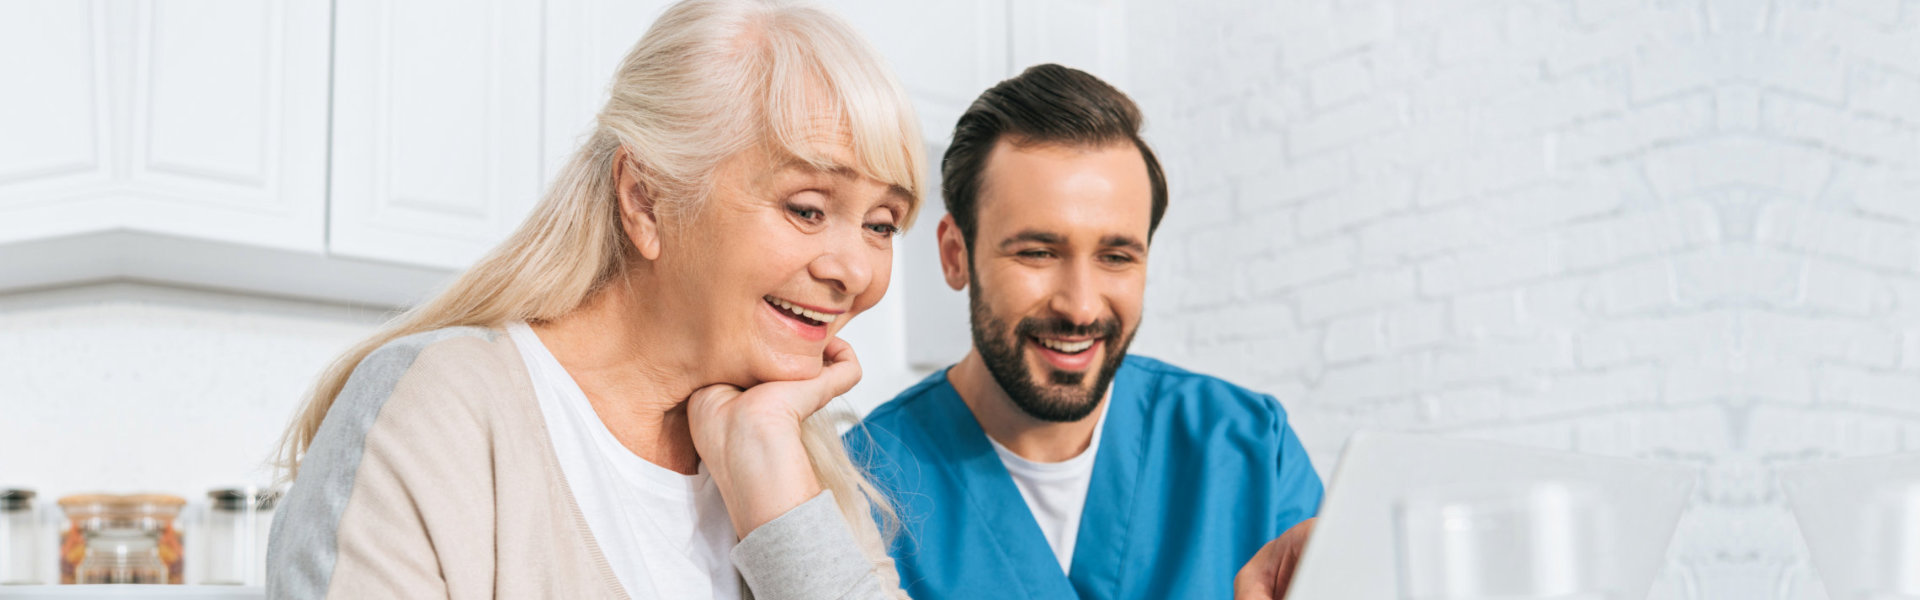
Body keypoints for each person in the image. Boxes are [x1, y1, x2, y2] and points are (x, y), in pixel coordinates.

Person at [265, 1, 925, 598]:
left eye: (881, 225)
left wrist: (776, 489)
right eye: (807, 209)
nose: (854, 271)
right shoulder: (445, 410)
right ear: (645, 200)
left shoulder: (797, 455)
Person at [844, 64, 1322, 600]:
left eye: (1116, 257)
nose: (1081, 306)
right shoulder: (862, 487)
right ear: (956, 255)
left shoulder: (1249, 448)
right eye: (1038, 252)